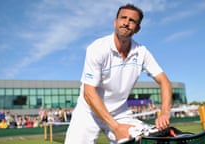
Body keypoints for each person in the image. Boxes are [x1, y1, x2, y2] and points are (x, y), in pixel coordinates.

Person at [64, 4, 172, 144]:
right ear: (115, 22)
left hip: (120, 113)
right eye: (123, 18)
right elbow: (88, 92)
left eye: (132, 21)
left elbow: (164, 81)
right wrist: (116, 127)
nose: (126, 23)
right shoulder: (97, 48)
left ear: (137, 29)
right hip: (88, 112)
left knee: (149, 140)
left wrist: (164, 113)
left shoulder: (142, 52)